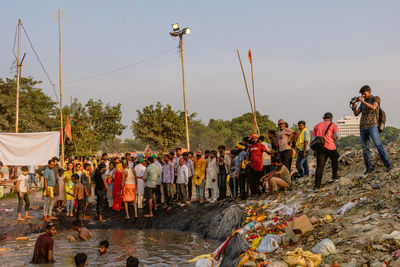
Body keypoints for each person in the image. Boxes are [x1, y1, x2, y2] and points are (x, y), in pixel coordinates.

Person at [352, 85, 393, 174]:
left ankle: (388, 164)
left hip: (372, 125)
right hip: (363, 127)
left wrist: (362, 101)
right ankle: (369, 167)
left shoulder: (375, 98)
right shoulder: (362, 102)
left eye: (364, 93)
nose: (363, 95)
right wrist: (354, 107)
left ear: (369, 92)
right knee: (365, 148)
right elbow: (356, 114)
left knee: (378, 144)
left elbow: (373, 107)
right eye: (362, 94)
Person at [312, 112, 340, 190]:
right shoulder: (333, 125)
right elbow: (337, 135)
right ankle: (334, 176)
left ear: (324, 118)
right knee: (334, 161)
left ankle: (317, 186)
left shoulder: (317, 126)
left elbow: (313, 139)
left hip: (320, 148)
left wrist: (315, 150)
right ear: (331, 118)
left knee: (319, 167)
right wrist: (332, 140)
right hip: (330, 147)